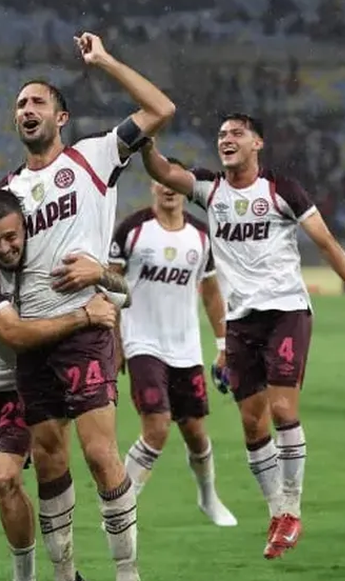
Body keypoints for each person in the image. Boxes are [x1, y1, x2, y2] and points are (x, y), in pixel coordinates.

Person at [0, 32, 173, 581]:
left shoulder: (96, 156)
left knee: (99, 454)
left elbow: (160, 108)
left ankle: (126, 572)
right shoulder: (11, 188)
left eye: (37, 101)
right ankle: (66, 574)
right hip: (33, 339)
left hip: (85, 328)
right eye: (20, 103)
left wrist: (104, 61)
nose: (27, 109)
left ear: (61, 116)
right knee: (49, 461)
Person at [139, 112, 345, 559]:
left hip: (286, 311)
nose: (226, 139)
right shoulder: (209, 189)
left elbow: (326, 242)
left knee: (282, 408)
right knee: (253, 423)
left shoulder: (281, 190)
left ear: (258, 144)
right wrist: (143, 137)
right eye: (221, 135)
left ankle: (291, 509)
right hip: (240, 322)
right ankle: (277, 512)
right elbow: (161, 170)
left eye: (236, 134)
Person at [0, 189, 121, 581]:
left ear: (26, 227)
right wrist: (83, 316)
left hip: (16, 384)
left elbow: (120, 294)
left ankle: (25, 577)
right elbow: (13, 333)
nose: (5, 247)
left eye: (12, 237)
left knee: (4, 477)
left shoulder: (52, 252)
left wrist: (102, 277)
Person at [109, 178, 236, 527]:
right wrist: (114, 341)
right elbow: (111, 285)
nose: (168, 189)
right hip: (142, 342)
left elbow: (211, 294)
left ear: (183, 189)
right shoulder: (132, 230)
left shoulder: (199, 235)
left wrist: (224, 346)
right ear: (151, 187)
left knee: (195, 432)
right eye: (161, 182)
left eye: (174, 183)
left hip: (186, 347)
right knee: (157, 427)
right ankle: (122, 506)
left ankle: (208, 497)